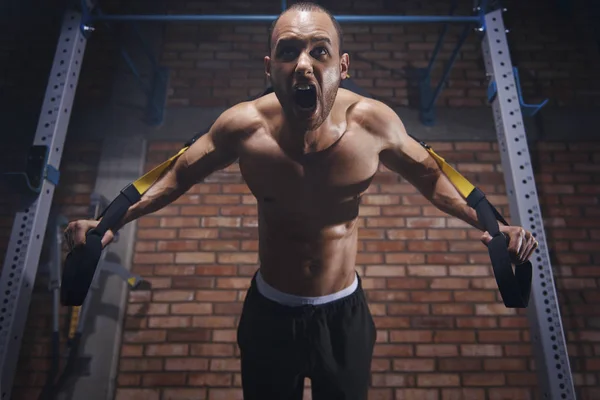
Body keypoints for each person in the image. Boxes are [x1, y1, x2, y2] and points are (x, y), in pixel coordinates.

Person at [63, 2, 538, 399]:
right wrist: (108, 223)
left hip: (344, 314)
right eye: (288, 52)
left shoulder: (372, 125)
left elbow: (434, 177)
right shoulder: (243, 127)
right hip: (270, 312)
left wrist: (497, 225)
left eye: (319, 52)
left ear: (342, 66)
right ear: (271, 69)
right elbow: (178, 175)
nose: (304, 64)